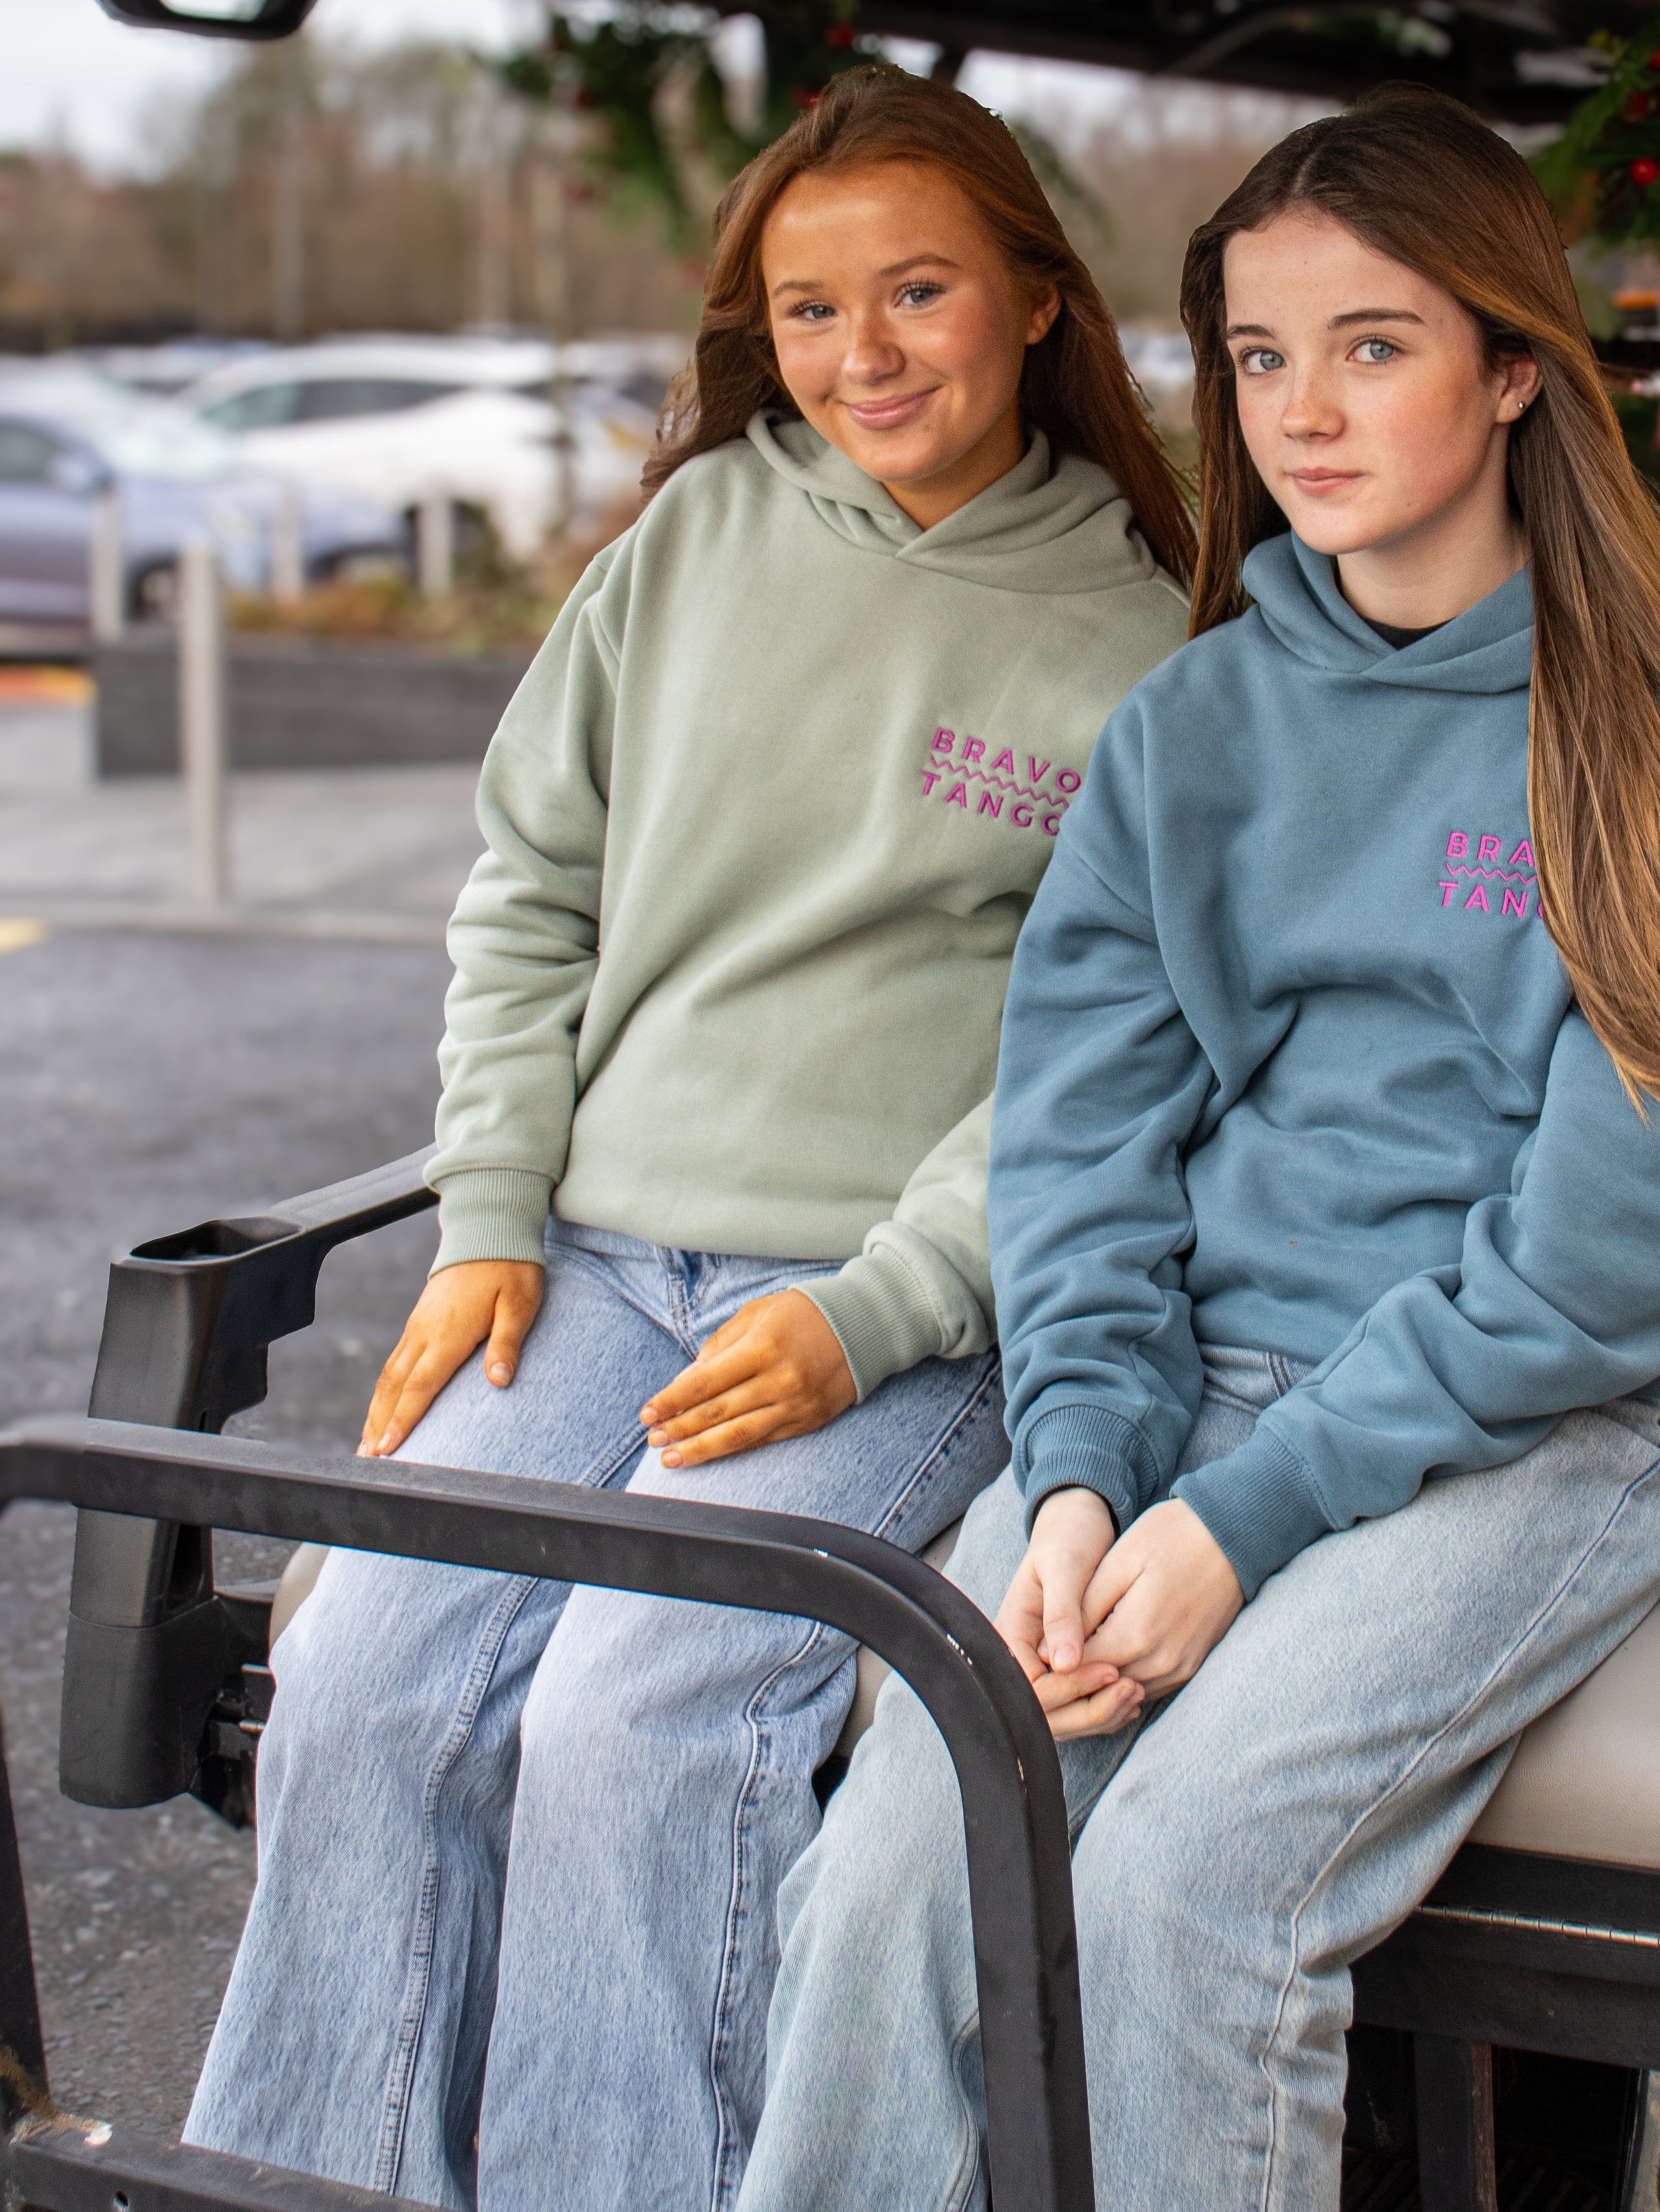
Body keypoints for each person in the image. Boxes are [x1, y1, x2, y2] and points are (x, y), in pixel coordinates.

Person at [736, 87, 1660, 2212]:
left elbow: (1606, 1272)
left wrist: (1243, 1519)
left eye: (1374, 344)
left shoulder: (1649, 766)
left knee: (1178, 1900)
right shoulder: (1193, 729)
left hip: (1550, 1423)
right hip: (1206, 1396)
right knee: (883, 1886)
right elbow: (1082, 1151)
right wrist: (1073, 1468)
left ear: (1515, 367)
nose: (1302, 411)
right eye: (1257, 356)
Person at [182, 66, 1192, 2212]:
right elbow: (526, 890)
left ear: (1031, 294)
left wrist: (875, 1310)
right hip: (594, 1262)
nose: (863, 353)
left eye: (916, 290)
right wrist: (484, 1217)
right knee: (363, 1677)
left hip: (890, 1312)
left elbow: (1098, 1064)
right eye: (809, 311)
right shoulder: (695, 540)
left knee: (636, 1725)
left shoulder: (1140, 645)